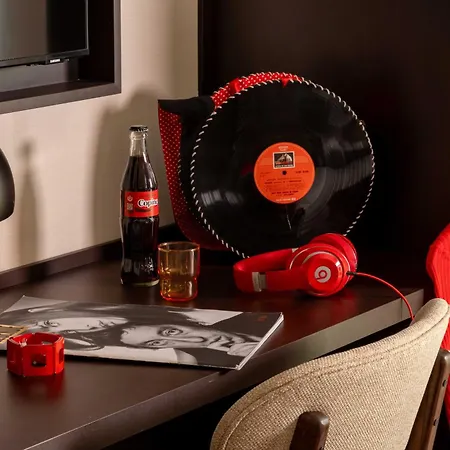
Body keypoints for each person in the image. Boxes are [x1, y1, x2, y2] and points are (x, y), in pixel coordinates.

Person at [0, 300, 270, 367]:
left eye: (51, 323)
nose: (79, 329)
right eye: (157, 342)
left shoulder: (252, 316)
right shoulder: (191, 357)